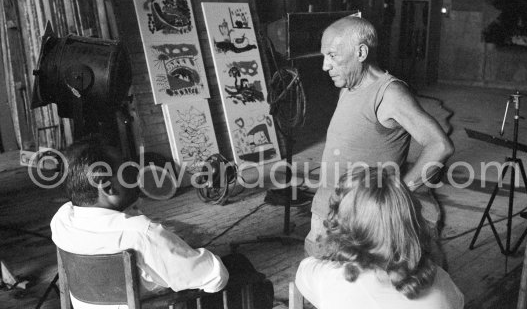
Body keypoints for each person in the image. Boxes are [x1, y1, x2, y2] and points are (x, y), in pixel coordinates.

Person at [50, 137, 273, 309]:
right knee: (241, 270)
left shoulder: (61, 220)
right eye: (127, 172)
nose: (136, 176)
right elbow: (215, 278)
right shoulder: (140, 233)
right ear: (107, 187)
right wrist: (177, 247)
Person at [305, 16, 454, 256]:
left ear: (361, 52)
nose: (325, 66)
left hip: (361, 225)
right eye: (324, 57)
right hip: (325, 212)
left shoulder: (390, 93)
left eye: (332, 56)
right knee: (316, 283)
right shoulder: (348, 86)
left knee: (351, 289)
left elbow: (440, 146)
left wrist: (398, 196)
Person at [296, 169, 464, 309]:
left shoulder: (328, 278)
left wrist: (335, 246)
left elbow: (305, 271)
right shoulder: (440, 284)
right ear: (412, 223)